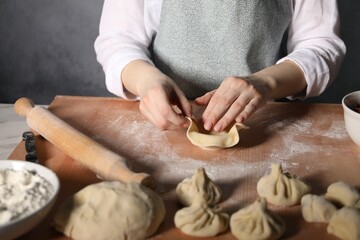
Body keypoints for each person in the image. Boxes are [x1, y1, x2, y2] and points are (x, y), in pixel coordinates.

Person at [94, 0, 346, 132]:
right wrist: (146, 81)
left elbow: (321, 45)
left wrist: (265, 83)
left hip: (262, 123)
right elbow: (118, 39)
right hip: (166, 124)